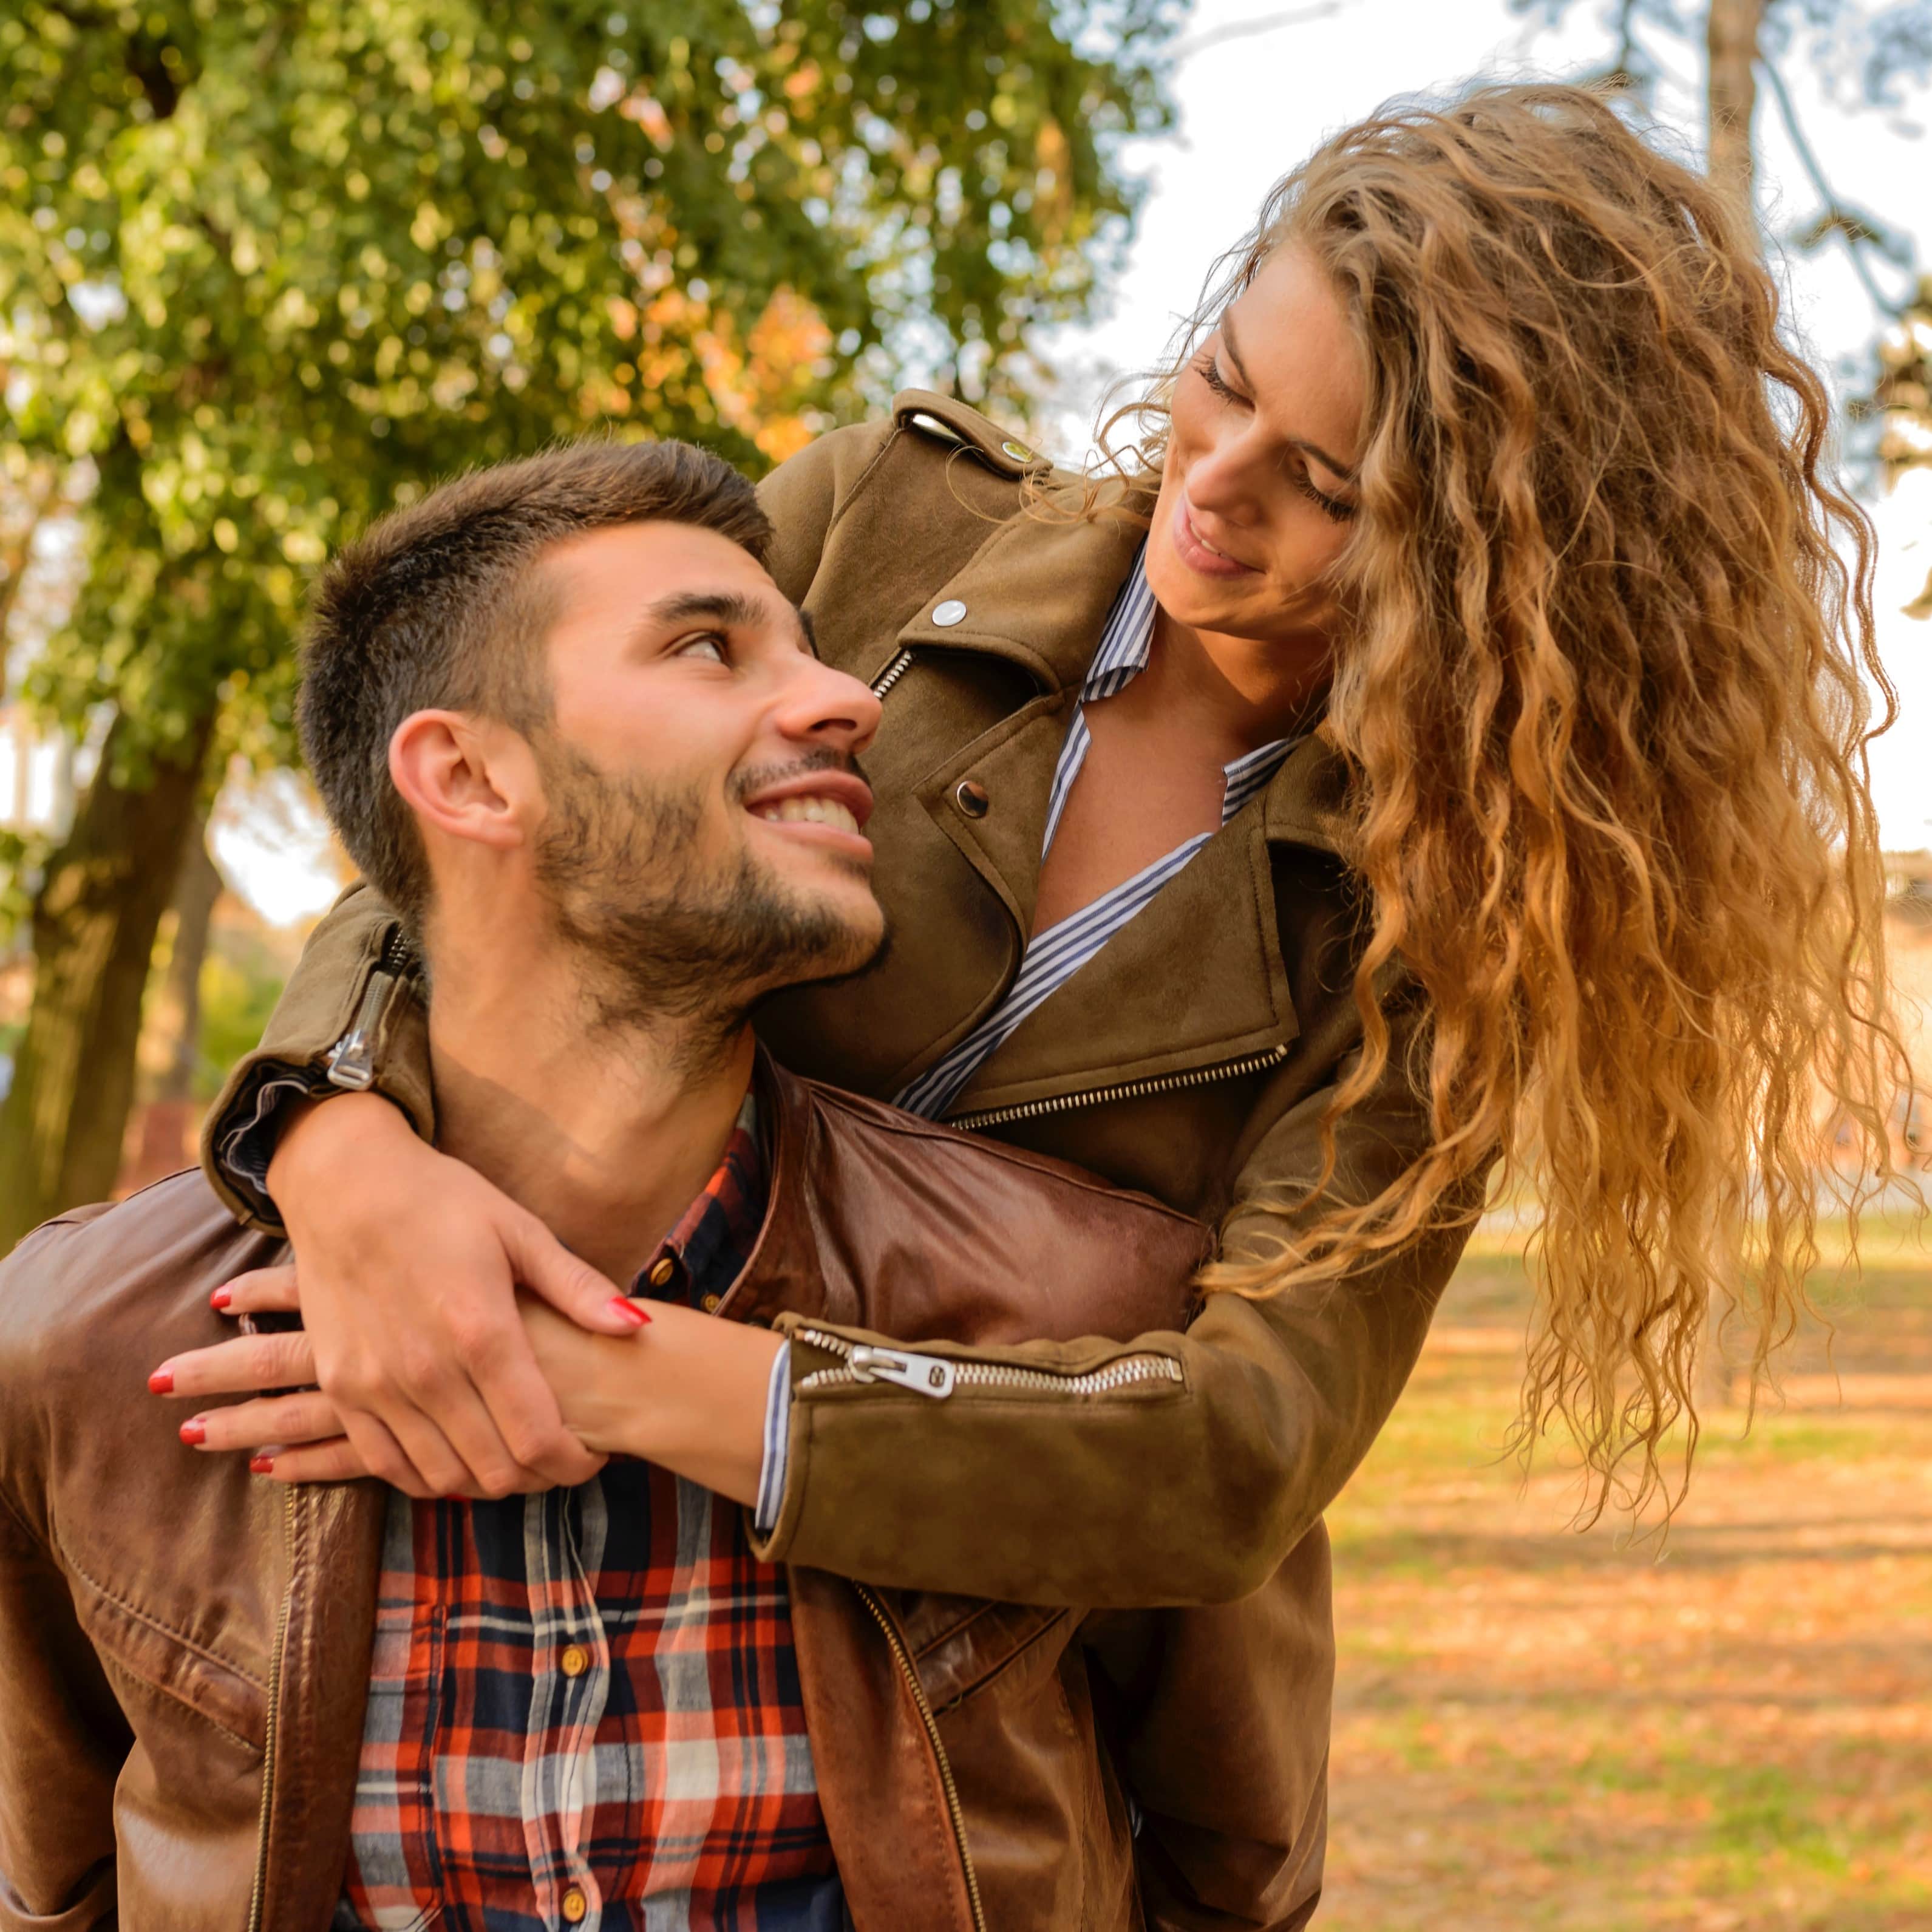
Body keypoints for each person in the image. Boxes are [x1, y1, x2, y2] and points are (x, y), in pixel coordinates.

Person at [185, 62, 1899, 1869]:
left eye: (1324, 487)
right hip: (477, 1535)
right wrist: (336, 1143)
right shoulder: (881, 526)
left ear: (1495, 566)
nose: (1209, 486)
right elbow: (493, 810)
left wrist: (623, 1371)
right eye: (1220, 380)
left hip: (963, 1709)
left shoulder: (1444, 940)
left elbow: (1235, 1443)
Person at [0, 440, 1278, 1928]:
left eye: (803, 646)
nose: (847, 700)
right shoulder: (84, 1353)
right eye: (706, 648)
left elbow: (1228, 1870)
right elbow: (60, 1878)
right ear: (467, 774)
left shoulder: (1077, 1313)